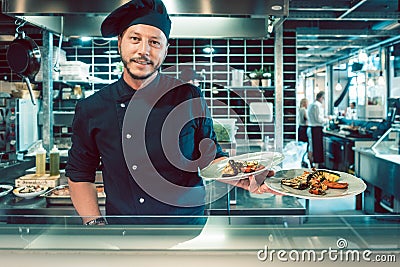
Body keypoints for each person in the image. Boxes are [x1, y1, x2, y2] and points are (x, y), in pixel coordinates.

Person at [66, 0, 274, 226]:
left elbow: (210, 157)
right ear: (120, 43)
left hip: (187, 229)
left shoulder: (188, 96)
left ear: (165, 50)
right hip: (124, 233)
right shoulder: (92, 108)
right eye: (135, 39)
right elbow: (80, 174)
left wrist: (244, 177)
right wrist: (96, 225)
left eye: (154, 42)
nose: (143, 50)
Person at [307, 91, 328, 168]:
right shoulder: (317, 105)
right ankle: (315, 166)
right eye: (323, 98)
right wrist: (327, 120)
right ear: (321, 98)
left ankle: (312, 165)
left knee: (311, 147)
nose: (323, 100)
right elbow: (318, 119)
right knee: (316, 148)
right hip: (316, 129)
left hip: (312, 128)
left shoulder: (311, 105)